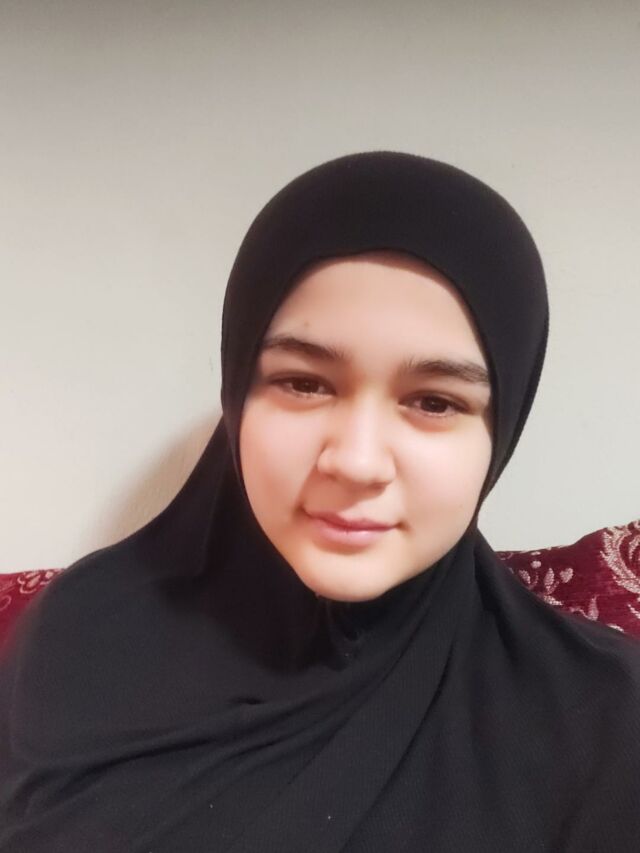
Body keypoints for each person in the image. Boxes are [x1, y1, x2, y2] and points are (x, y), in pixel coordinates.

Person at [1, 152, 639, 852]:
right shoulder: (82, 635)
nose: (357, 462)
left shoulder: (602, 725)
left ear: (503, 428)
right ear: (237, 390)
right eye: (304, 383)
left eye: (435, 401)